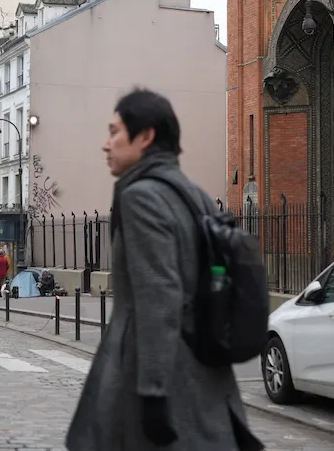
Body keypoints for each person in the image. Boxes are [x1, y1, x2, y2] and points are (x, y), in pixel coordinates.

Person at [66, 89, 262, 451]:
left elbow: (159, 295)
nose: (105, 145)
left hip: (158, 380)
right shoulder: (194, 194)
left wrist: (153, 392)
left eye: (114, 132)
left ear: (145, 137)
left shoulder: (141, 196)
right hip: (205, 374)